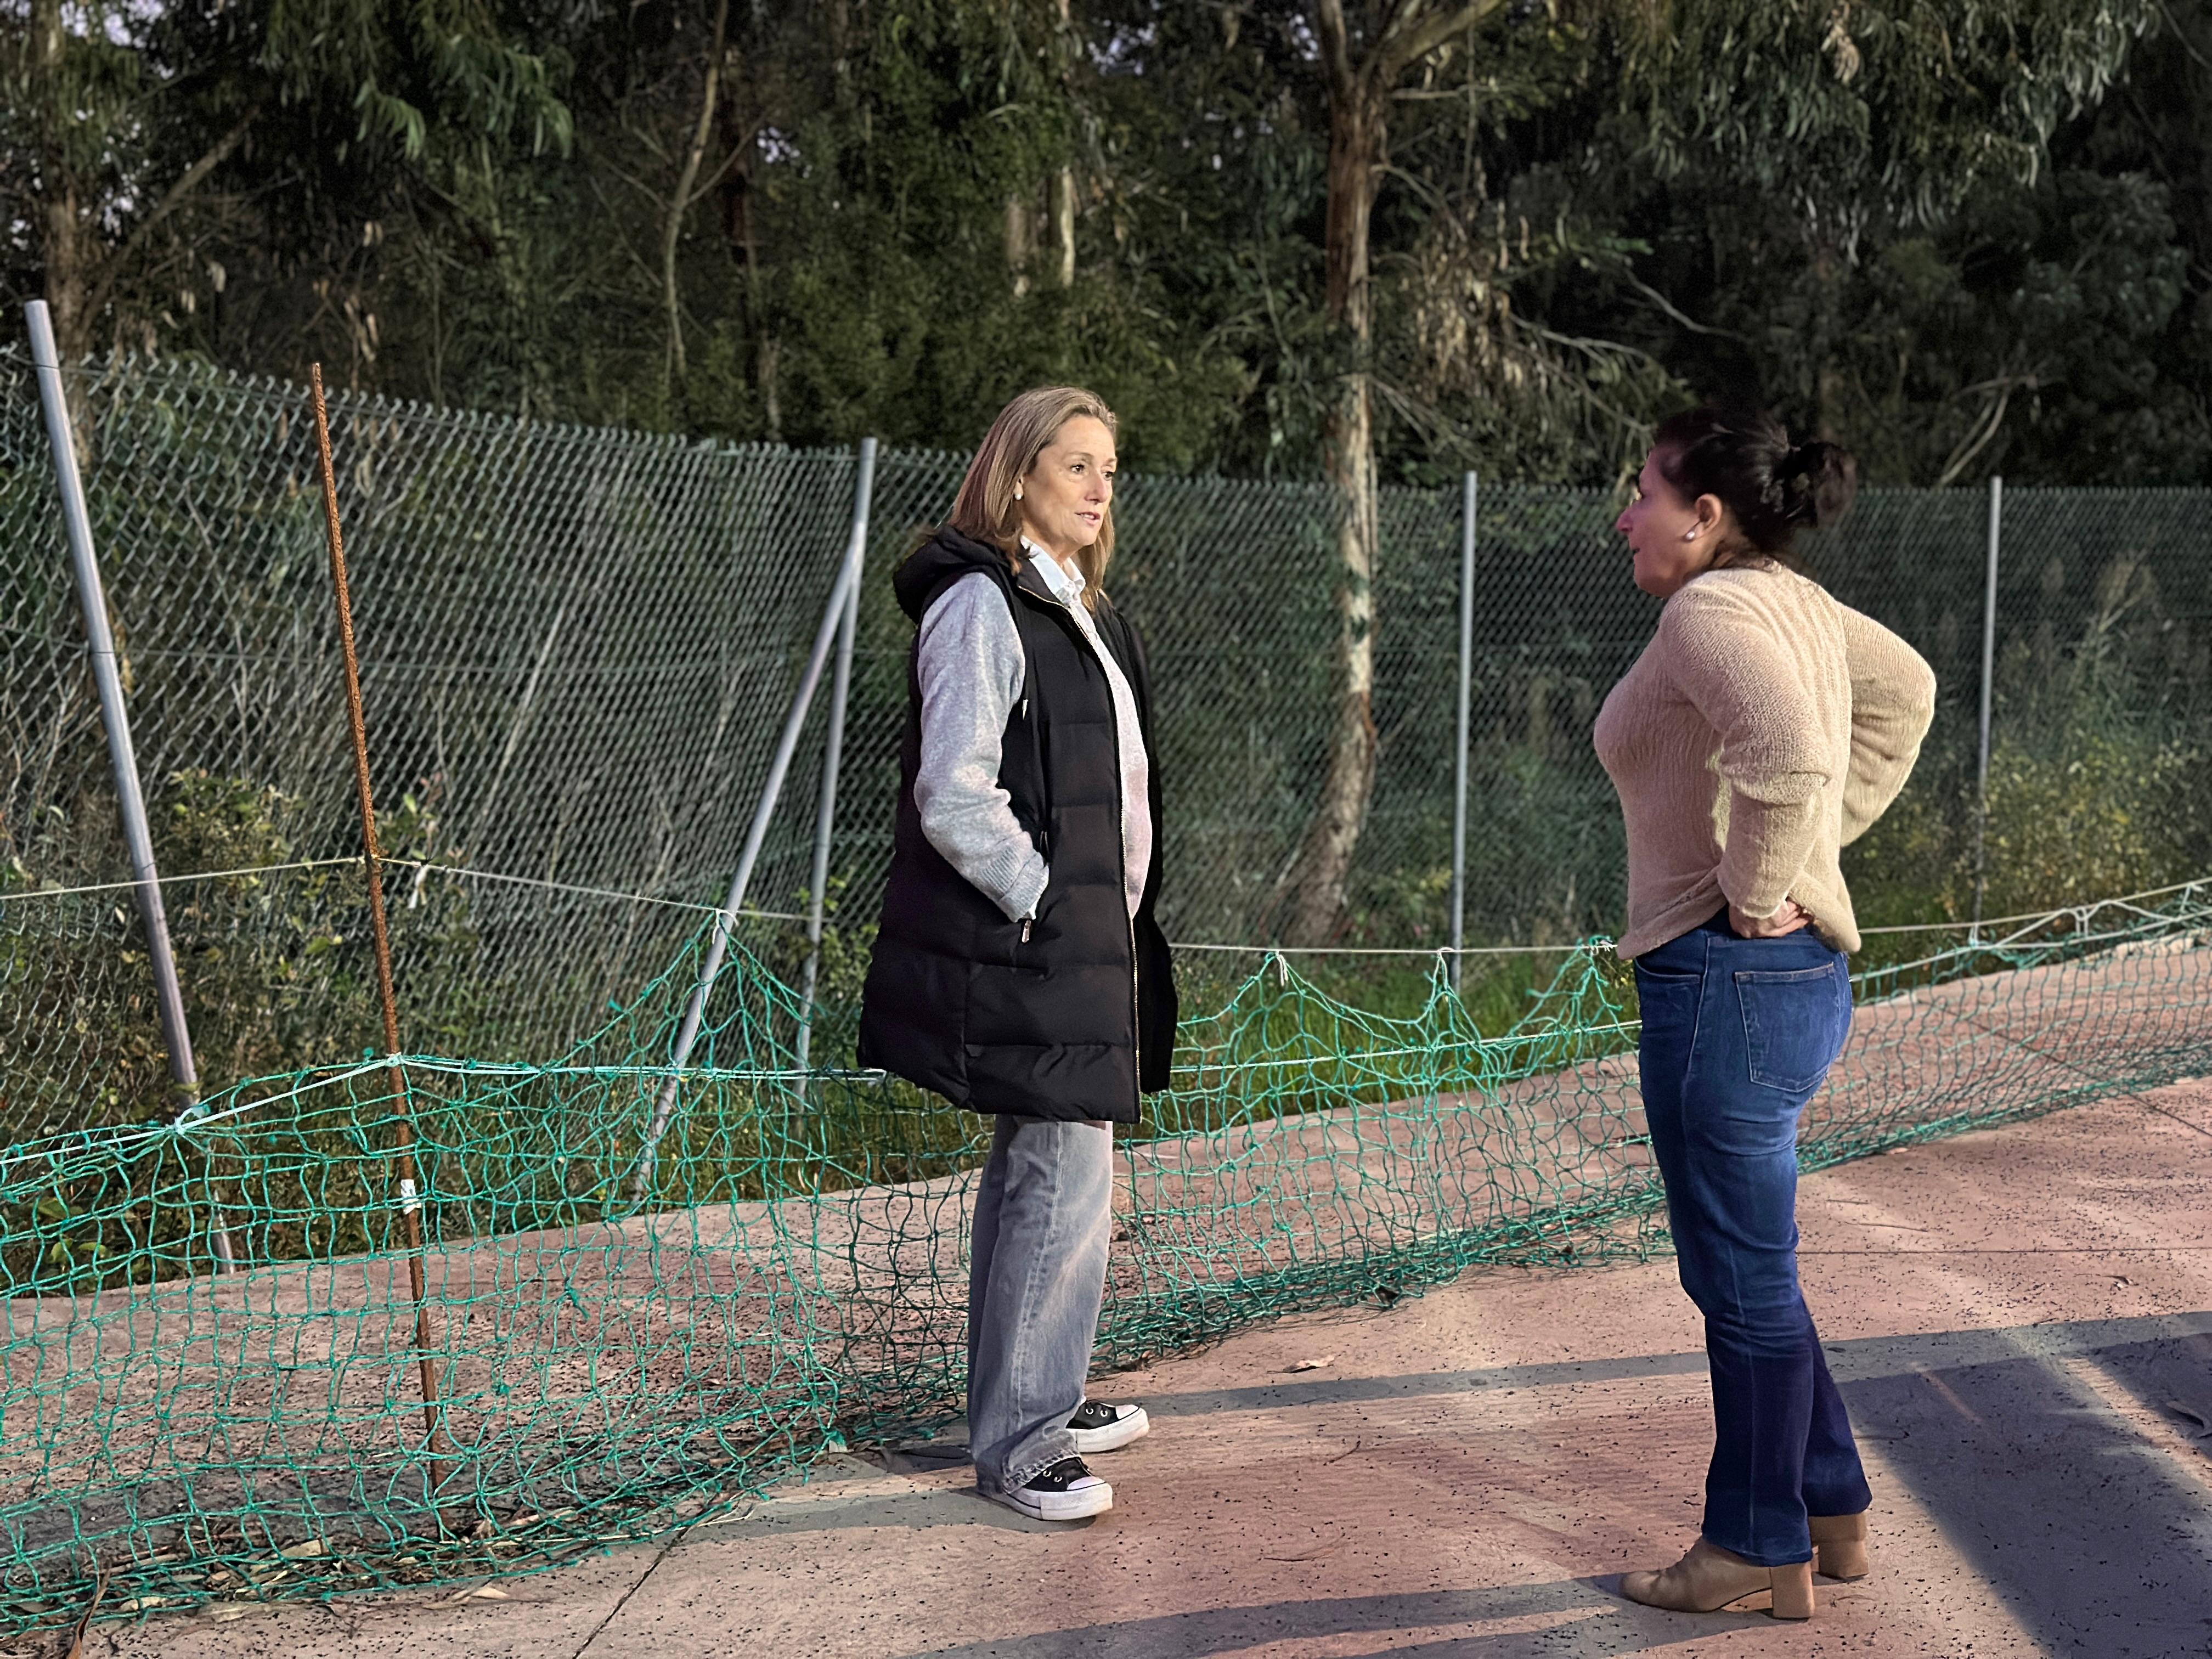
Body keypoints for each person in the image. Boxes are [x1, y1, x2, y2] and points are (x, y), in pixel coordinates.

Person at [1594, 409, 1936, 1618]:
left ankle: (1750, 1543)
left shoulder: (1709, 611)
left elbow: (1789, 752)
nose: (1626, 514)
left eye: (1643, 492)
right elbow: (1905, 692)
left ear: (1706, 516)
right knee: (1753, 1275)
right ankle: (1829, 1503)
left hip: (1727, 977)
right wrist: (1809, 861)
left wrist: (1761, 883)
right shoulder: (1788, 600)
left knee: (1739, 1283)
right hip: (1785, 983)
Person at [858, 386, 1177, 1523]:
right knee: (1059, 1175)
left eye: (1110, 467)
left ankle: (1038, 1392)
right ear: (1017, 475)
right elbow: (954, 793)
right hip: (1041, 942)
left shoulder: (1076, 607)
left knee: (1054, 1168)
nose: (1101, 489)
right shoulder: (981, 604)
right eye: (1077, 465)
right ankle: (1022, 1443)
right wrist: (1041, 900)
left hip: (1091, 941)